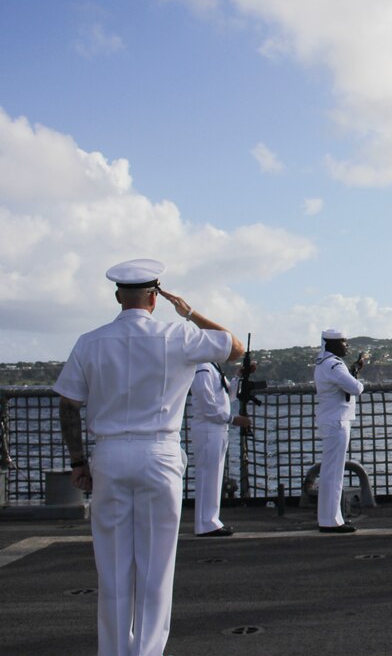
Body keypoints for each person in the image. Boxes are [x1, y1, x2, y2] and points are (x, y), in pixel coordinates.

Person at [54, 258, 243, 656]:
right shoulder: (178, 335)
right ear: (155, 298)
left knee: (114, 568)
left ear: (118, 296)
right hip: (159, 454)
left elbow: (69, 405)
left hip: (108, 456)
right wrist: (188, 311)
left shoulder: (89, 341)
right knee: (157, 570)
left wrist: (78, 462)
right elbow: (235, 348)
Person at [188, 360, 252, 537]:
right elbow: (208, 406)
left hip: (216, 428)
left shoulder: (212, 367)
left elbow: (227, 396)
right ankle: (206, 523)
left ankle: (210, 520)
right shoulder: (202, 368)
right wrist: (232, 419)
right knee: (208, 476)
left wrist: (238, 376)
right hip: (208, 428)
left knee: (213, 476)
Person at [314, 328, 367, 534]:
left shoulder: (322, 363)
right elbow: (355, 388)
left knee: (331, 471)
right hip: (337, 421)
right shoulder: (334, 365)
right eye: (344, 342)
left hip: (331, 418)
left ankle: (330, 517)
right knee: (333, 472)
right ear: (333, 344)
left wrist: (353, 371)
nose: (347, 345)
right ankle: (330, 520)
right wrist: (356, 378)